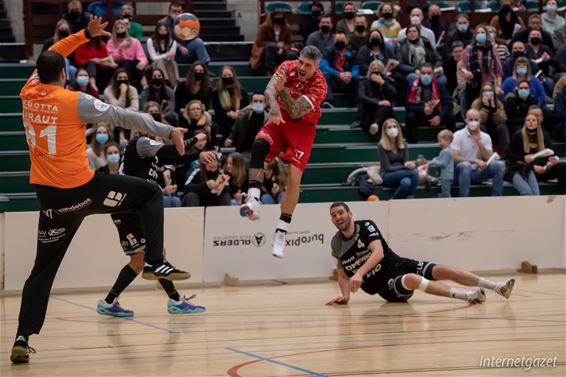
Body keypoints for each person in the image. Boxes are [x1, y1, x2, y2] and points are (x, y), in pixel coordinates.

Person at [11, 17, 190, 365]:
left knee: (42, 269)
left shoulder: (28, 92)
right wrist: (168, 131)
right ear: (63, 74)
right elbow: (125, 116)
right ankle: (154, 262)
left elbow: (50, 54)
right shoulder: (73, 100)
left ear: (39, 73)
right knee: (151, 193)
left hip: (50, 200)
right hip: (82, 191)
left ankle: (22, 336)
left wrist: (82, 36)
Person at [96, 131, 213, 317]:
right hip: (130, 208)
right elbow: (173, 149)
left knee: (139, 260)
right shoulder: (141, 142)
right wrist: (196, 140)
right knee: (153, 255)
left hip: (127, 208)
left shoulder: (148, 153)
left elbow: (174, 157)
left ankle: (109, 301)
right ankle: (175, 301)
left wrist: (198, 154)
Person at [326, 202, 515, 305]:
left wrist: (358, 273)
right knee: (413, 279)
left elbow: (379, 252)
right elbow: (342, 273)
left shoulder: (365, 226)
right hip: (385, 286)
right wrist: (346, 296)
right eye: (333, 215)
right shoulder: (336, 243)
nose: (338, 217)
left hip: (397, 264)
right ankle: (468, 296)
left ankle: (498, 287)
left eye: (340, 213)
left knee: (442, 270)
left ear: (350, 214)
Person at [240, 46, 327, 258]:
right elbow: (269, 90)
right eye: (301, 62)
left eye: (308, 65)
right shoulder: (287, 67)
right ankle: (254, 199)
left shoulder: (319, 85)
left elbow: (297, 110)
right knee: (258, 146)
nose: (302, 68)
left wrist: (283, 92)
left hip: (302, 129)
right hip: (279, 120)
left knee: (294, 179)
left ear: (316, 67)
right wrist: (275, 107)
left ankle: (281, 231)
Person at [452, 109, 506, 197]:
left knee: (500, 165)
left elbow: (489, 158)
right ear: (465, 120)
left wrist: (479, 143)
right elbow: (455, 157)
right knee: (466, 165)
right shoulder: (457, 135)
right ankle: (463, 199)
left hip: (478, 172)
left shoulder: (486, 136)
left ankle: (496, 197)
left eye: (476, 120)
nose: (473, 122)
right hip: (461, 172)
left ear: (480, 120)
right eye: (470, 119)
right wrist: (474, 161)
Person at [405, 63, 454, 144]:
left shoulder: (439, 85)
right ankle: (413, 145)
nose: (426, 76)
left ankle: (451, 143)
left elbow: (449, 103)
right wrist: (423, 110)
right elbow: (408, 106)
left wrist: (439, 116)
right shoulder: (412, 86)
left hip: (436, 116)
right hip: (420, 116)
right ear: (419, 74)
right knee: (410, 117)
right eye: (423, 73)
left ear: (433, 75)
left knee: (450, 116)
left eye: (429, 73)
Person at [378, 118, 418, 199]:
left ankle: (393, 201)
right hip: (387, 175)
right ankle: (411, 198)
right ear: (385, 130)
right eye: (389, 127)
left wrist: (409, 165)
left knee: (406, 182)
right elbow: (387, 167)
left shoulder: (403, 144)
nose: (392, 129)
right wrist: (405, 167)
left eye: (394, 126)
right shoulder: (381, 145)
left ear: (398, 128)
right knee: (414, 173)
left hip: (402, 173)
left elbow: (405, 162)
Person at [160, 1, 211, 65]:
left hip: (187, 50)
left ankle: (205, 66)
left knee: (198, 41)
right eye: (174, 11)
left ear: (182, 12)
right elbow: (164, 40)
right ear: (169, 12)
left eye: (179, 11)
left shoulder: (187, 20)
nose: (176, 14)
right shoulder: (163, 23)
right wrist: (179, 46)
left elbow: (195, 37)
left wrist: (193, 32)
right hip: (172, 53)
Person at [505, 113, 543, 196]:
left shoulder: (540, 137)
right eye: (528, 120)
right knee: (527, 192)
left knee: (537, 194)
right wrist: (523, 158)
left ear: (538, 123)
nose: (531, 122)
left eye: (533, 120)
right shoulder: (518, 135)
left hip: (527, 168)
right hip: (513, 168)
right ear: (525, 123)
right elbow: (507, 154)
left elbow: (541, 157)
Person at [357, 60, 397, 136]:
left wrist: (382, 82)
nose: (376, 71)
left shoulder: (387, 80)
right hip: (369, 113)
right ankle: (376, 124)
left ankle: (376, 124)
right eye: (374, 69)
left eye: (379, 69)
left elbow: (394, 93)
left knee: (386, 105)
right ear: (370, 70)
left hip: (385, 113)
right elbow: (361, 97)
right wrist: (378, 102)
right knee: (384, 106)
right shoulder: (364, 81)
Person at [211, 66, 249, 142]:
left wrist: (238, 113)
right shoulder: (216, 92)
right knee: (226, 123)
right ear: (221, 77)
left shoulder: (241, 91)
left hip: (239, 115)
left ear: (233, 76)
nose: (227, 77)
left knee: (240, 122)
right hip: (223, 117)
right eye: (225, 76)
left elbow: (246, 107)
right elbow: (217, 110)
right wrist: (228, 114)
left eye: (229, 75)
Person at [106, 19, 148, 88]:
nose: (120, 30)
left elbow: (141, 56)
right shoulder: (111, 42)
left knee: (133, 62)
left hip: (131, 66)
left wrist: (142, 62)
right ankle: (127, 83)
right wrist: (120, 47)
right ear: (115, 31)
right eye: (117, 28)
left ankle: (138, 83)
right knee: (127, 62)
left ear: (125, 28)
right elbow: (112, 58)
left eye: (122, 28)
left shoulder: (135, 41)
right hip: (117, 65)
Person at [224, 92, 268, 158]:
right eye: (255, 101)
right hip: (244, 152)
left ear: (265, 103)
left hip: (264, 152)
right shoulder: (242, 117)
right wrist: (230, 139)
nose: (258, 103)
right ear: (251, 103)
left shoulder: (270, 119)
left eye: (261, 101)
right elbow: (234, 132)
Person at [320, 33, 359, 106]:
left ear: (346, 41)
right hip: (333, 83)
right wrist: (339, 74)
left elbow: (356, 68)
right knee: (325, 75)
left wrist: (350, 75)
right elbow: (323, 66)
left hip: (347, 82)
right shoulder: (329, 51)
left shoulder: (352, 53)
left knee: (358, 79)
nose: (340, 42)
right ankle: (328, 102)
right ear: (334, 41)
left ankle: (357, 103)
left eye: (342, 40)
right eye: (338, 40)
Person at [471, 82, 510, 154]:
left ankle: (507, 155)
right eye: (485, 91)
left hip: (495, 130)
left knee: (502, 127)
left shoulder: (498, 103)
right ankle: (484, 154)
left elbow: (503, 120)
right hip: (482, 130)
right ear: (481, 92)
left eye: (489, 90)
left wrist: (494, 110)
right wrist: (485, 109)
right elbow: (475, 121)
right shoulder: (476, 103)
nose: (487, 92)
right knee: (481, 127)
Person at [146, 21, 179, 87]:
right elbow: (154, 58)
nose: (163, 32)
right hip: (153, 64)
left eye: (165, 30)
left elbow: (171, 56)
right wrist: (166, 55)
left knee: (172, 62)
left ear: (168, 31)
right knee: (159, 62)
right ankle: (166, 81)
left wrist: (166, 56)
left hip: (167, 62)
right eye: (160, 30)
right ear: (157, 31)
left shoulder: (172, 41)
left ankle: (175, 83)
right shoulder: (150, 40)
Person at [429, 129, 454, 198]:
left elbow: (443, 163)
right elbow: (441, 158)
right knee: (444, 189)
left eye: (440, 141)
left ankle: (446, 200)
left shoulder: (446, 151)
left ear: (448, 140)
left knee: (446, 191)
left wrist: (434, 162)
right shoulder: (445, 150)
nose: (439, 143)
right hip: (445, 175)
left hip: (446, 176)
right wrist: (436, 159)